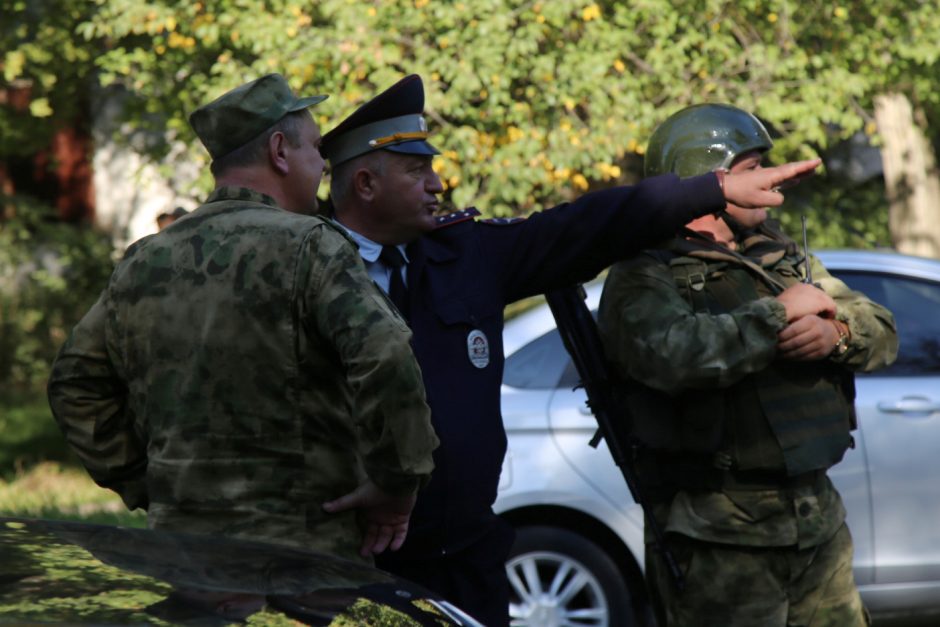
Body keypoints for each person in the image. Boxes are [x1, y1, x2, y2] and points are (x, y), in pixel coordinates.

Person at [317, 75, 823, 625]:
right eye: (419, 172)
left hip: (465, 557)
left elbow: (588, 225)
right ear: (365, 184)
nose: (437, 185)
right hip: (353, 559)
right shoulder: (303, 268)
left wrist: (713, 189)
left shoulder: (462, 254)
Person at [47, 73, 439, 564]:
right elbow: (384, 352)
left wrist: (146, 480)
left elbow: (73, 382)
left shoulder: (144, 259)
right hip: (305, 556)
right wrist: (397, 482)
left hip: (184, 550)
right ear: (279, 151)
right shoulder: (312, 246)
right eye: (316, 149)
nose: (323, 165)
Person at [597, 103, 898, 626]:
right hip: (718, 533)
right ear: (704, 181)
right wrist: (777, 317)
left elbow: (883, 330)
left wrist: (836, 334)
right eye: (752, 170)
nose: (770, 185)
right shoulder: (645, 274)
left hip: (817, 518)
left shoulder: (781, 255)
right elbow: (674, 354)